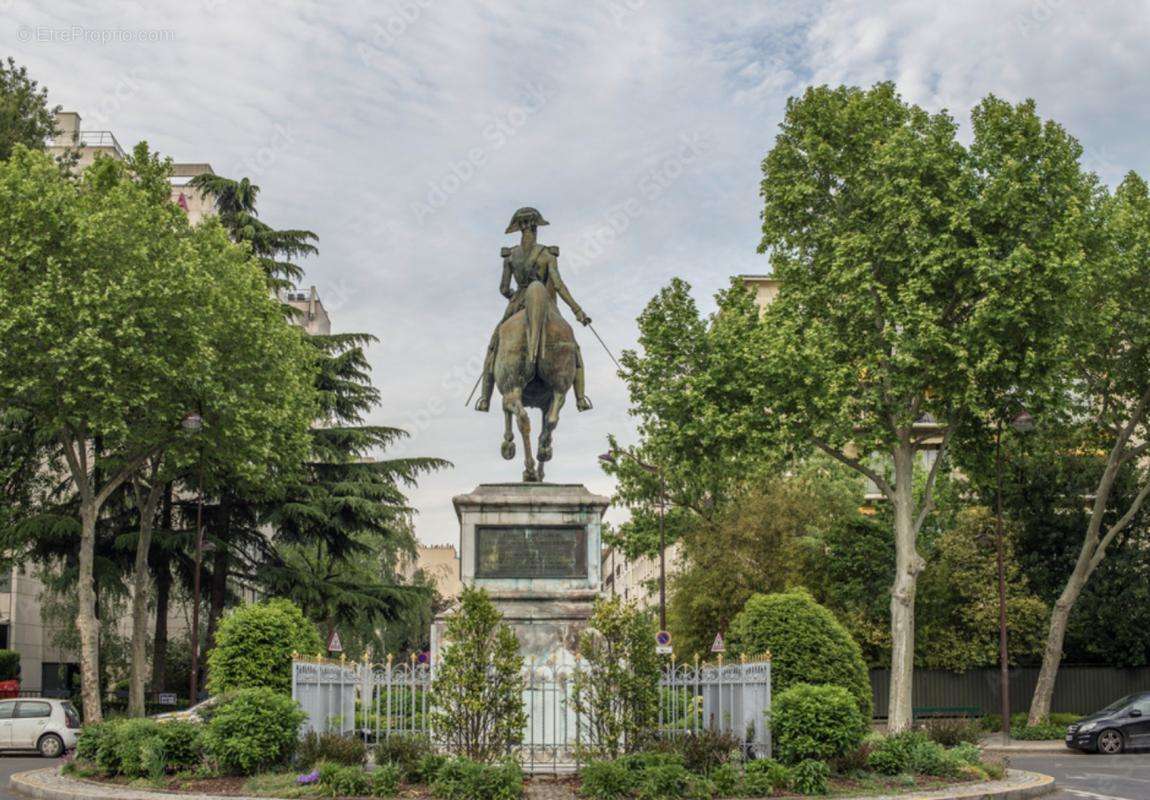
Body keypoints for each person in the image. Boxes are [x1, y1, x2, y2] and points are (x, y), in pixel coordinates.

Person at [475, 207, 593, 412]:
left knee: (494, 346)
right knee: (573, 347)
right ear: (536, 227)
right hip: (545, 303)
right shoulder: (547, 255)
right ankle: (580, 398)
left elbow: (503, 289)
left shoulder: (510, 256)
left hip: (517, 302)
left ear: (519, 228)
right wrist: (577, 311)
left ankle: (484, 398)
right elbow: (558, 285)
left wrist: (514, 297)